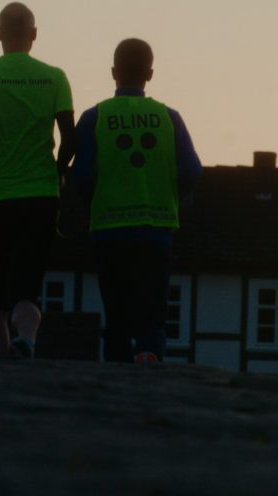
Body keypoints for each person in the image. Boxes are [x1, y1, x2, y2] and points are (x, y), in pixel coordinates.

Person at [0, 2, 76, 359]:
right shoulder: (55, 77)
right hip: (39, 194)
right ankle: (26, 340)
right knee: (27, 289)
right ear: (34, 35)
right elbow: (70, 137)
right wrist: (58, 172)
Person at [71, 38, 201, 363]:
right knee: (152, 315)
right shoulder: (169, 118)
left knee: (116, 315)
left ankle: (116, 383)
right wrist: (174, 196)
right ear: (150, 74)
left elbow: (82, 175)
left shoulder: (94, 118)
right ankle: (150, 362)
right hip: (155, 230)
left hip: (109, 230)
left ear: (113, 72)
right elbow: (191, 170)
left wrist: (93, 203)